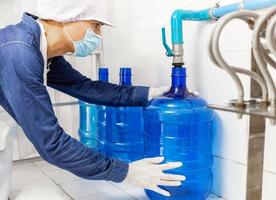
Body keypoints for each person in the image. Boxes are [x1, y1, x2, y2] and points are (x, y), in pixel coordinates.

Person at [0, 0, 186, 198]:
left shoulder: (39, 48)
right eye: (95, 25)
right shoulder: (20, 53)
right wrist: (126, 172)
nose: (98, 35)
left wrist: (147, 93)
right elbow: (51, 144)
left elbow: (84, 87)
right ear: (67, 18)